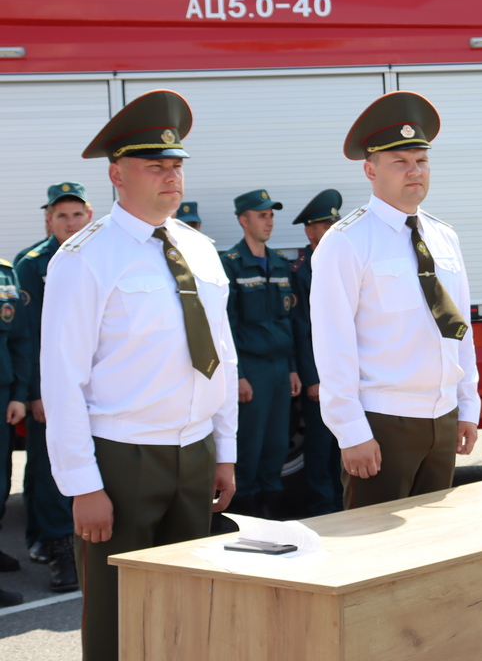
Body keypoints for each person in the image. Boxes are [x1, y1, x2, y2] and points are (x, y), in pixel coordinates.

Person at [40, 89, 238, 661]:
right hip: (123, 460)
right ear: (116, 174)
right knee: (116, 613)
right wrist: (83, 485)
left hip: (195, 453)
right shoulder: (83, 259)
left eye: (175, 166)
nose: (171, 177)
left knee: (191, 609)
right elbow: (63, 380)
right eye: (155, 166)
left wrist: (223, 451)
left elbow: (221, 355)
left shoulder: (200, 250)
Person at [311, 91, 479, 510]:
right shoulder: (345, 242)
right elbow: (333, 345)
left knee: (435, 550)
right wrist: (351, 431)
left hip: (442, 416)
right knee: (375, 554)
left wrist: (467, 404)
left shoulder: (444, 237)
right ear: (370, 170)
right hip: (383, 422)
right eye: (399, 162)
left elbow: (461, 330)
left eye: (421, 161)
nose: (414, 171)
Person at [15, 182, 93, 594]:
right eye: (61, 215)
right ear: (49, 219)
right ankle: (58, 548)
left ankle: (75, 542)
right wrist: (34, 393)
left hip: (96, 384)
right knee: (49, 470)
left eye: (77, 214)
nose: (70, 222)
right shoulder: (31, 264)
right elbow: (27, 335)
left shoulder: (99, 254)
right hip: (52, 386)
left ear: (89, 216)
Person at [222, 189, 300, 518]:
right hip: (251, 369)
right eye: (261, 215)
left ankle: (273, 506)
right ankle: (246, 511)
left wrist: (294, 368)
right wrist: (237, 375)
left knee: (277, 443)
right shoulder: (232, 264)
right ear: (244, 220)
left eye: (271, 215)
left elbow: (289, 321)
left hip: (281, 368)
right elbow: (227, 324)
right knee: (249, 444)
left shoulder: (281, 263)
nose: (268, 221)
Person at [290, 189, 344, 515]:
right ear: (309, 231)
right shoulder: (300, 272)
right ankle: (323, 510)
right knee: (320, 448)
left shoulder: (343, 263)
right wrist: (312, 378)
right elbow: (301, 329)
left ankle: (343, 504)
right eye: (324, 226)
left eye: (334, 225)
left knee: (345, 444)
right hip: (321, 381)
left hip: (346, 376)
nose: (330, 232)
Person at [0, 250, 30, 608]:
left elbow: (20, 338)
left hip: (3, 394)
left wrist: (19, 393)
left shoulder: (6, 274)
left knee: (3, 480)